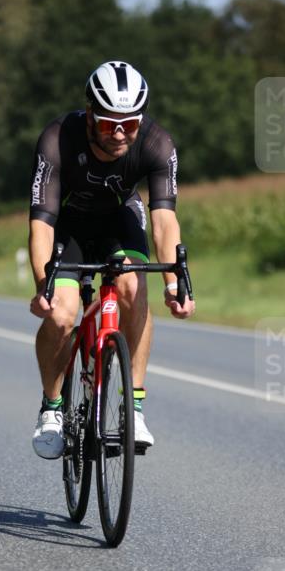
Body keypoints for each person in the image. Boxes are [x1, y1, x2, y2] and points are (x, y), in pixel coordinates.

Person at [29, 60, 195, 459]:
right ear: (89, 114)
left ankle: (133, 407)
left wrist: (175, 284)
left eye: (130, 124)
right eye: (107, 124)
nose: (120, 134)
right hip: (66, 225)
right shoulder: (57, 139)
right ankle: (52, 408)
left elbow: (164, 222)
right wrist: (42, 287)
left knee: (133, 287)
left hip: (119, 221)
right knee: (63, 314)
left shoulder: (157, 143)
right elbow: (41, 224)